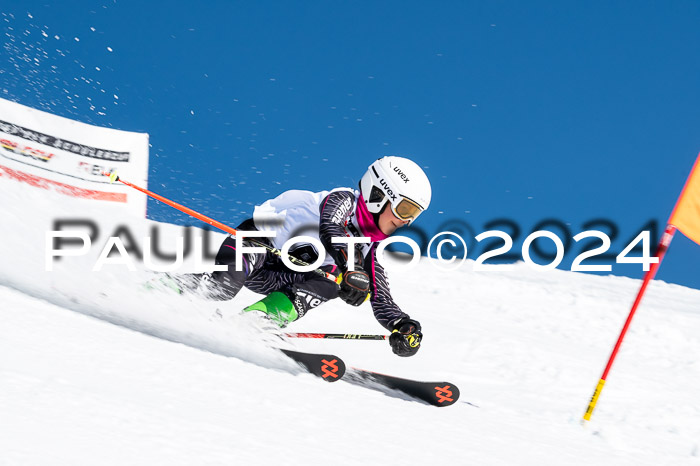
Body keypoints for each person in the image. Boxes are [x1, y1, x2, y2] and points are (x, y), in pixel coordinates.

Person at [172, 156, 431, 357]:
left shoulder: (368, 248)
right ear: (379, 194)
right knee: (222, 287)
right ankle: (162, 289)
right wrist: (352, 267)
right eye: (404, 208)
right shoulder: (343, 200)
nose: (406, 220)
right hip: (257, 245)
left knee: (332, 281)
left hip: (279, 277)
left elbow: (380, 296)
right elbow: (331, 227)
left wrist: (403, 325)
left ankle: (256, 320)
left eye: (414, 214)